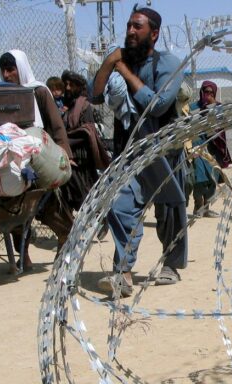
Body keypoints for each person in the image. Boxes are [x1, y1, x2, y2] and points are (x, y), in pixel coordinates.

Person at [90, 5, 187, 296]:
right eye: (129, 26)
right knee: (121, 206)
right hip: (130, 151)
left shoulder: (169, 64)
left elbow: (157, 104)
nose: (131, 31)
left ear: (153, 34)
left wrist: (122, 70)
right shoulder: (121, 59)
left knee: (169, 208)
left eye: (138, 27)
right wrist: (109, 63)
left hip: (163, 148)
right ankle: (124, 273)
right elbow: (94, 96)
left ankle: (170, 262)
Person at [0, 49, 74, 270]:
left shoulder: (39, 91)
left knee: (50, 207)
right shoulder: (2, 95)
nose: (6, 75)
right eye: (3, 70)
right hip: (17, 159)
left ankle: (65, 243)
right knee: (14, 208)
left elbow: (55, 125)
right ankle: (24, 256)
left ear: (20, 68)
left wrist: (64, 155)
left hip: (42, 158)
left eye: (11, 69)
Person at [61, 70, 111, 240]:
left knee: (85, 194)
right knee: (74, 194)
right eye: (66, 84)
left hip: (82, 159)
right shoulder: (69, 108)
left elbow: (86, 132)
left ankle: (102, 220)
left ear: (78, 86)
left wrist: (65, 140)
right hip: (70, 158)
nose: (68, 88)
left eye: (71, 84)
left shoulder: (84, 106)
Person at [189, 80, 232, 218]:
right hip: (197, 147)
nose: (207, 95)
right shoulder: (194, 107)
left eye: (210, 92)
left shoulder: (217, 108)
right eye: (205, 92)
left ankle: (206, 208)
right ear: (201, 92)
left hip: (213, 148)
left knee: (213, 178)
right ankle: (197, 206)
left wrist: (212, 107)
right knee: (199, 178)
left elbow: (220, 128)